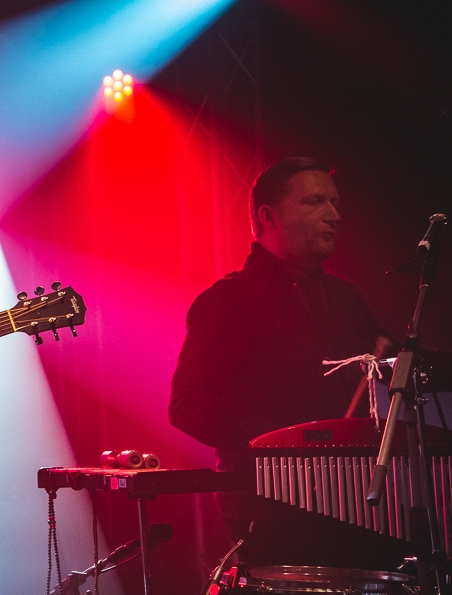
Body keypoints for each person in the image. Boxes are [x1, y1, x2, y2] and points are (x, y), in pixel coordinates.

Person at [168, 157, 405, 568]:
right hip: (273, 509)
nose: (333, 215)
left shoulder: (346, 299)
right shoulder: (227, 301)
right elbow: (189, 405)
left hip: (358, 505)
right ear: (268, 217)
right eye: (314, 202)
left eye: (334, 203)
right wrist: (288, 443)